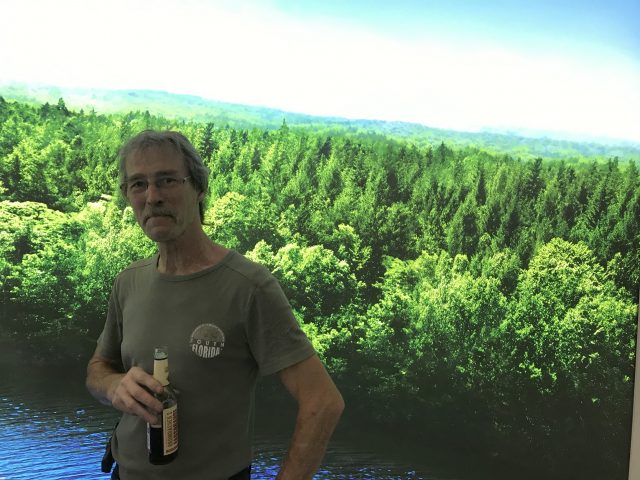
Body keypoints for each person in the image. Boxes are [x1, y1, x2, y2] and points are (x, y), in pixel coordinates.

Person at [85, 130, 345, 480]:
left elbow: (323, 401)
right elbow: (98, 369)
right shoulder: (129, 282)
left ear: (199, 188)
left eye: (167, 180)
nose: (152, 196)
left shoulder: (248, 287)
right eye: (138, 184)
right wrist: (113, 386)